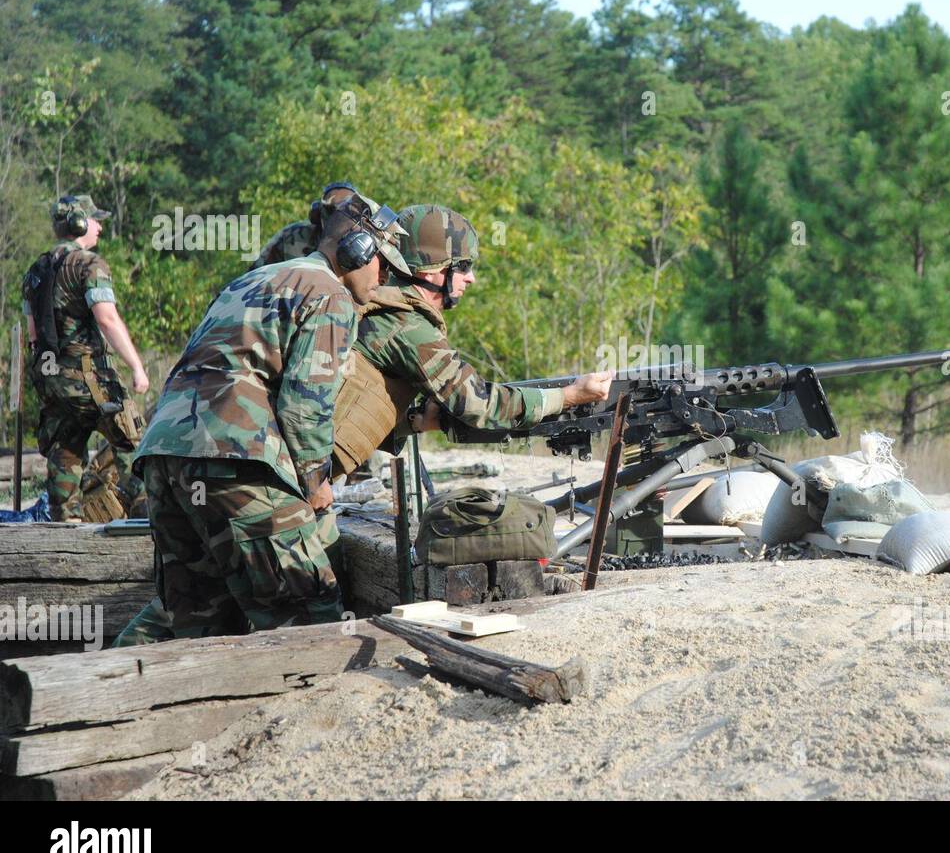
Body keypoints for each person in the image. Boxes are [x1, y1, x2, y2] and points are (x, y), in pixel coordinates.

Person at [125, 191, 410, 640]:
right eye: (385, 264)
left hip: (165, 453)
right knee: (309, 616)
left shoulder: (254, 279)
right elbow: (303, 406)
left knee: (196, 619)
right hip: (237, 456)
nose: (386, 277)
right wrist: (316, 484)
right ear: (360, 251)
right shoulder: (330, 295)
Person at [330, 203, 612, 476]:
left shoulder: (382, 305)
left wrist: (416, 423)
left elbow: (353, 405)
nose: (471, 278)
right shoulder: (407, 326)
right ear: (431, 269)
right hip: (294, 477)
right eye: (462, 266)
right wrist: (568, 396)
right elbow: (479, 403)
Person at [21, 195, 149, 521]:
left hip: (51, 379)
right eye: (95, 219)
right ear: (79, 223)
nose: (101, 225)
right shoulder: (89, 264)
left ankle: (66, 530)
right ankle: (151, 521)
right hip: (89, 377)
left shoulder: (36, 270)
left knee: (65, 450)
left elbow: (33, 334)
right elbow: (107, 319)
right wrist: (136, 366)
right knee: (135, 443)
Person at [244, 181, 359, 269]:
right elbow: (256, 276)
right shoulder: (293, 236)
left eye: (348, 211)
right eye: (331, 211)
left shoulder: (367, 242)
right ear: (319, 214)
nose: (338, 220)